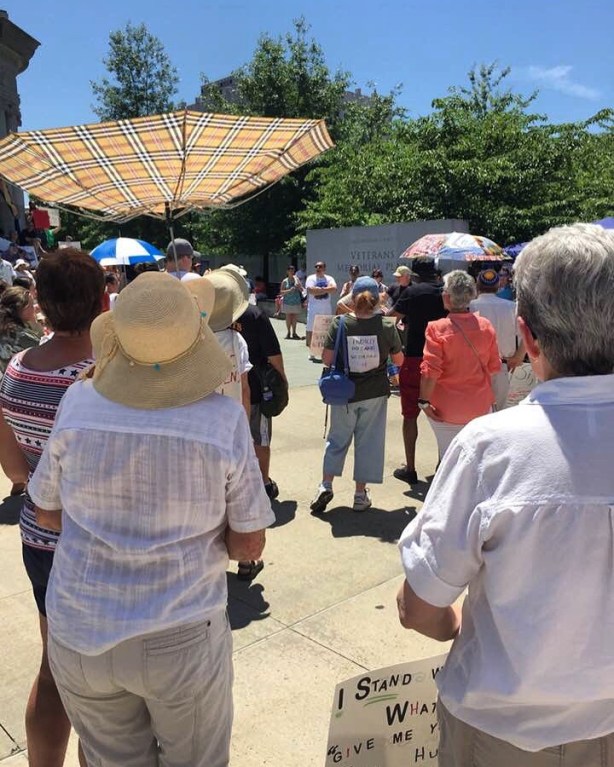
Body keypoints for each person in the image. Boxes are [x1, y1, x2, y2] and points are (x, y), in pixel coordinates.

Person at [29, 272, 274, 767]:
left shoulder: (78, 401)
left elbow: (46, 513)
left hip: (80, 626)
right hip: (180, 629)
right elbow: (249, 545)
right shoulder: (221, 419)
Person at [397, 223, 614, 766]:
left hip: (498, 728)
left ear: (530, 337)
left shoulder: (489, 450)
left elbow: (418, 607)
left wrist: (455, 630)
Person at [0, 249, 103, 767]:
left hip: (39, 539)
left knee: (53, 668)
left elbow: (15, 470)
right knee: (103, 687)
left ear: (39, 300)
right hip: (98, 543)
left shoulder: (16, 369)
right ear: (102, 301)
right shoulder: (106, 374)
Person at [310, 277, 403, 513]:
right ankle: (360, 495)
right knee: (369, 442)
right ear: (377, 299)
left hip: (343, 392)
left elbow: (327, 359)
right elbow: (399, 360)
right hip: (375, 392)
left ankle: (325, 484)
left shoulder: (340, 323)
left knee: (337, 438)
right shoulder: (387, 326)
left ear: (352, 298)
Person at [418, 270, 500, 460]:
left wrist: (423, 402)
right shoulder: (485, 325)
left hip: (446, 409)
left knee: (449, 460)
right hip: (480, 405)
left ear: (447, 297)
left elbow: (430, 372)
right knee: (477, 461)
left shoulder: (436, 328)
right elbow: (493, 367)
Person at [225, 265, 286, 506]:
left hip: (223, 389)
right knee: (260, 438)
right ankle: (262, 483)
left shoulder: (213, 315)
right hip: (257, 388)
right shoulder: (254, 314)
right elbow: (273, 354)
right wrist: (282, 381)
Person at [388, 260, 446, 484]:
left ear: (414, 274)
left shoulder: (412, 292)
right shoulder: (446, 292)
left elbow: (391, 318)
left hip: (414, 357)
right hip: (442, 359)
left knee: (410, 415)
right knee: (444, 416)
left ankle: (410, 468)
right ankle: (442, 466)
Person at [470, 268, 525, 410]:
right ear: (498, 285)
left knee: (478, 413)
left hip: (475, 367)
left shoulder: (470, 307)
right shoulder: (512, 307)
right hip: (503, 366)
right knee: (500, 412)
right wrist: (519, 356)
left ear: (477, 285)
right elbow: (526, 334)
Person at [0, 286, 42, 375]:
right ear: (21, 309)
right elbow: (43, 352)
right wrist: (35, 323)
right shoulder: (23, 335)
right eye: (31, 305)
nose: (34, 308)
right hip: (24, 378)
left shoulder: (4, 327)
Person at [305, 261, 337, 360]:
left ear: (324, 268)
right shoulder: (311, 278)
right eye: (316, 266)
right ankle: (312, 352)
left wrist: (319, 290)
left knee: (326, 331)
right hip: (313, 309)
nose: (318, 268)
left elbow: (334, 289)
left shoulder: (329, 278)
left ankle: (325, 351)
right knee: (311, 330)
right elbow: (311, 290)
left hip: (326, 309)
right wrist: (326, 289)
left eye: (320, 266)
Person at [279, 265, 303, 339]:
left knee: (295, 318)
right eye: (290, 270)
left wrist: (298, 286)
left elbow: (302, 290)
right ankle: (288, 332)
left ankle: (294, 332)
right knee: (288, 317)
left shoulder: (297, 280)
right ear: (287, 272)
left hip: (296, 301)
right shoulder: (285, 281)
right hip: (287, 302)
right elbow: (281, 292)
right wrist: (289, 290)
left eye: (293, 270)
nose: (292, 272)